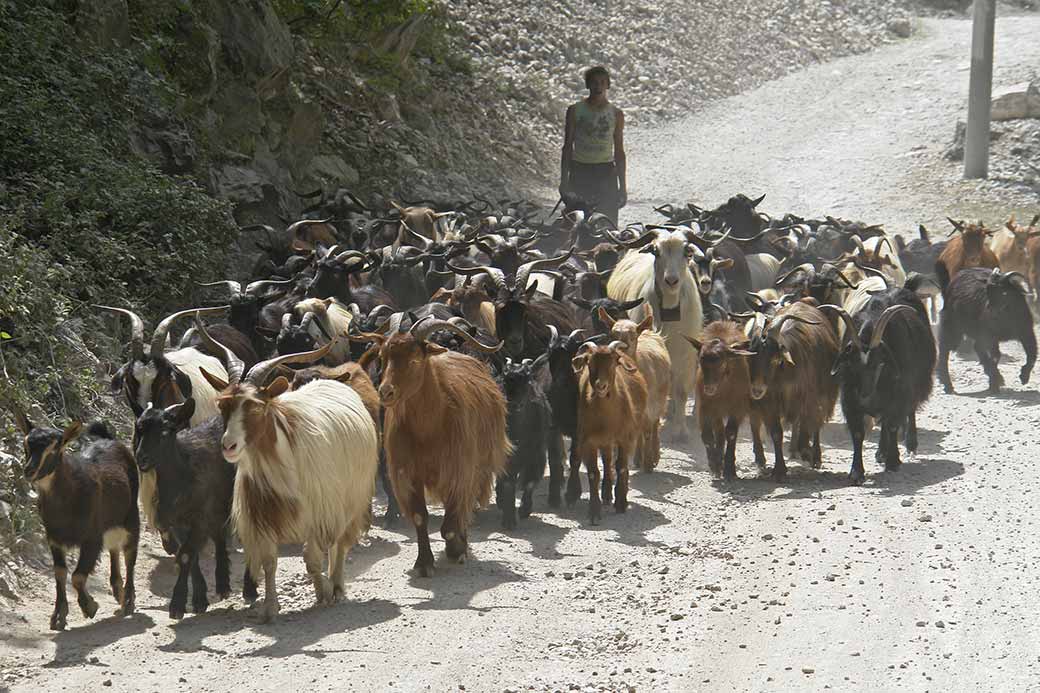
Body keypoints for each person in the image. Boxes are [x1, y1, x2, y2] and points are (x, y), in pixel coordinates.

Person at [559, 65, 627, 226]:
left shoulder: (616, 114)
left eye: (602, 82)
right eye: (594, 82)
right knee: (576, 224)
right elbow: (567, 146)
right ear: (587, 85)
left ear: (608, 85)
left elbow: (619, 151)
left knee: (606, 224)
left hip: (606, 173)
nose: (598, 86)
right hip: (580, 171)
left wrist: (623, 187)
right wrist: (564, 181)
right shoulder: (575, 111)